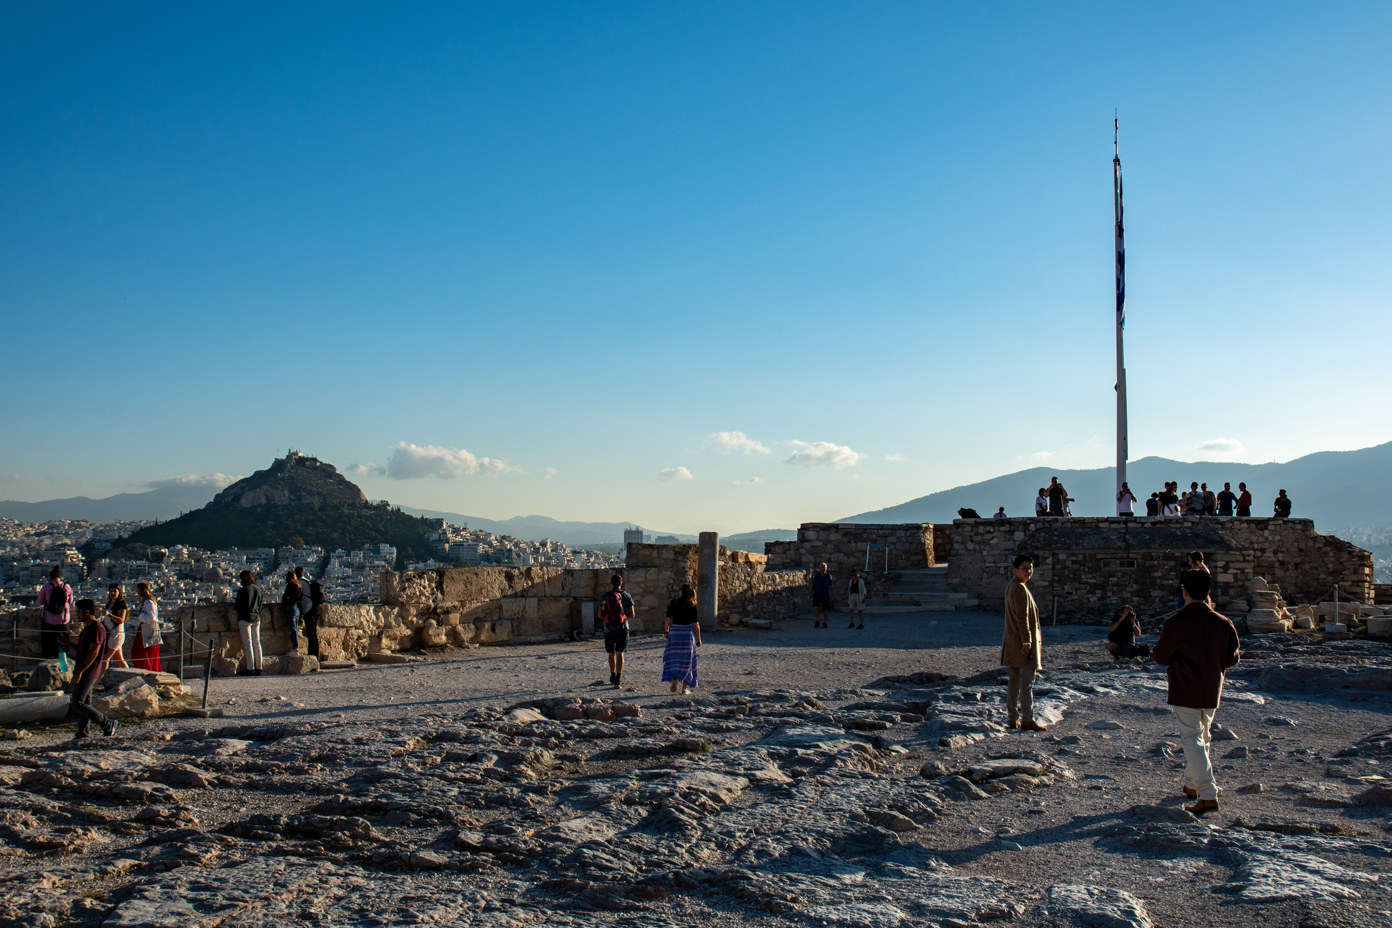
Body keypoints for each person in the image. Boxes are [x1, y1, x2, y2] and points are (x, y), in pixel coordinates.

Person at [1153, 569, 1241, 815]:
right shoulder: (1224, 623)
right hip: (1212, 688)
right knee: (1204, 736)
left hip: (1184, 688)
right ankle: (1192, 784)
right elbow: (1233, 658)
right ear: (1208, 593)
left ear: (1185, 591)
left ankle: (1207, 792)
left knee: (1192, 738)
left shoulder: (1175, 623)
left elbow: (1161, 657)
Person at [1001, 553, 1046, 731]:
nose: (1028, 572)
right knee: (1027, 681)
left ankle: (1012, 717)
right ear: (1016, 570)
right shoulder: (1019, 588)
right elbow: (1022, 618)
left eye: (1030, 568)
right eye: (1025, 568)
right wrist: (1027, 642)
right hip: (1022, 643)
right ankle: (1027, 718)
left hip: (1012, 641)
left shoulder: (1012, 586)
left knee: (1014, 680)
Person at [67, 599, 119, 740]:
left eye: (78, 611)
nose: (76, 614)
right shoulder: (88, 627)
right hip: (86, 669)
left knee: (77, 703)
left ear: (86, 612)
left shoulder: (96, 628)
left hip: (88, 671)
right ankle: (83, 732)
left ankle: (107, 723)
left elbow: (94, 653)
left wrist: (79, 672)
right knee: (85, 702)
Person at [661, 583, 701, 694]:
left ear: (681, 591)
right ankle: (684, 688)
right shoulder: (692, 604)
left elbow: (667, 620)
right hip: (687, 633)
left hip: (675, 632)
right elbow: (695, 624)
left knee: (674, 657)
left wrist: (667, 632)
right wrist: (698, 639)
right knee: (687, 660)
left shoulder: (674, 602)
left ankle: (674, 677)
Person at [600, 574, 635, 688]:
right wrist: (623, 616)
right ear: (621, 583)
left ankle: (612, 674)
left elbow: (600, 614)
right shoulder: (626, 596)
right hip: (623, 627)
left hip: (609, 628)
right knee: (620, 653)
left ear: (611, 583)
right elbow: (633, 614)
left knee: (611, 653)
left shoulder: (605, 596)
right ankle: (618, 678)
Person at [37, 566, 72, 659]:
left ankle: (49, 657)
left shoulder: (47, 587)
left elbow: (40, 601)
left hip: (48, 619)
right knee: (63, 639)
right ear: (60, 577)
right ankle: (64, 658)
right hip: (63, 619)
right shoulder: (67, 587)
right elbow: (70, 601)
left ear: (50, 578)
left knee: (48, 640)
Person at [234, 570, 265, 676]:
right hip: (256, 618)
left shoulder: (243, 590)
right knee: (257, 642)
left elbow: (237, 606)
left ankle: (250, 668)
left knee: (248, 644)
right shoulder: (258, 590)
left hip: (245, 618)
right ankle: (259, 667)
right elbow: (260, 605)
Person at [130, 582, 162, 672]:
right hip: (147, 628)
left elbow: (152, 617)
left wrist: (141, 615)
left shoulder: (148, 602)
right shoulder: (149, 601)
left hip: (147, 629)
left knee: (142, 652)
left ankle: (146, 670)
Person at [99, 583, 130, 677]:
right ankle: (131, 676)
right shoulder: (109, 603)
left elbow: (121, 620)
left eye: (115, 591)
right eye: (111, 591)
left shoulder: (121, 604)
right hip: (110, 633)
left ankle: (98, 680)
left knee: (105, 658)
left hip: (117, 634)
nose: (112, 593)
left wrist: (109, 614)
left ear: (119, 592)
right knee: (119, 660)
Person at [297, 566, 322, 659]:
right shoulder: (308, 581)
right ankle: (316, 653)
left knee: (310, 633)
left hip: (308, 609)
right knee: (313, 633)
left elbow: (298, 595)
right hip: (315, 608)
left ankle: (312, 653)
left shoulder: (301, 583)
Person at [281, 569, 302, 653]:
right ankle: (296, 646)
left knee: (292, 628)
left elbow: (285, 597)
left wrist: (287, 598)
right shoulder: (298, 586)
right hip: (297, 608)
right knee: (295, 628)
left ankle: (295, 647)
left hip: (291, 608)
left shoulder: (290, 586)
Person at [810, 563, 833, 628]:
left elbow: (831, 586)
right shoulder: (817, 576)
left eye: (823, 568)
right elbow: (812, 584)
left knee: (826, 609)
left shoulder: (828, 576)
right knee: (816, 607)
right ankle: (817, 620)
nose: (822, 569)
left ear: (826, 568)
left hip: (825, 595)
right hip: (817, 594)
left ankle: (825, 622)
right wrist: (811, 592)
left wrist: (831, 595)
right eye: (821, 568)